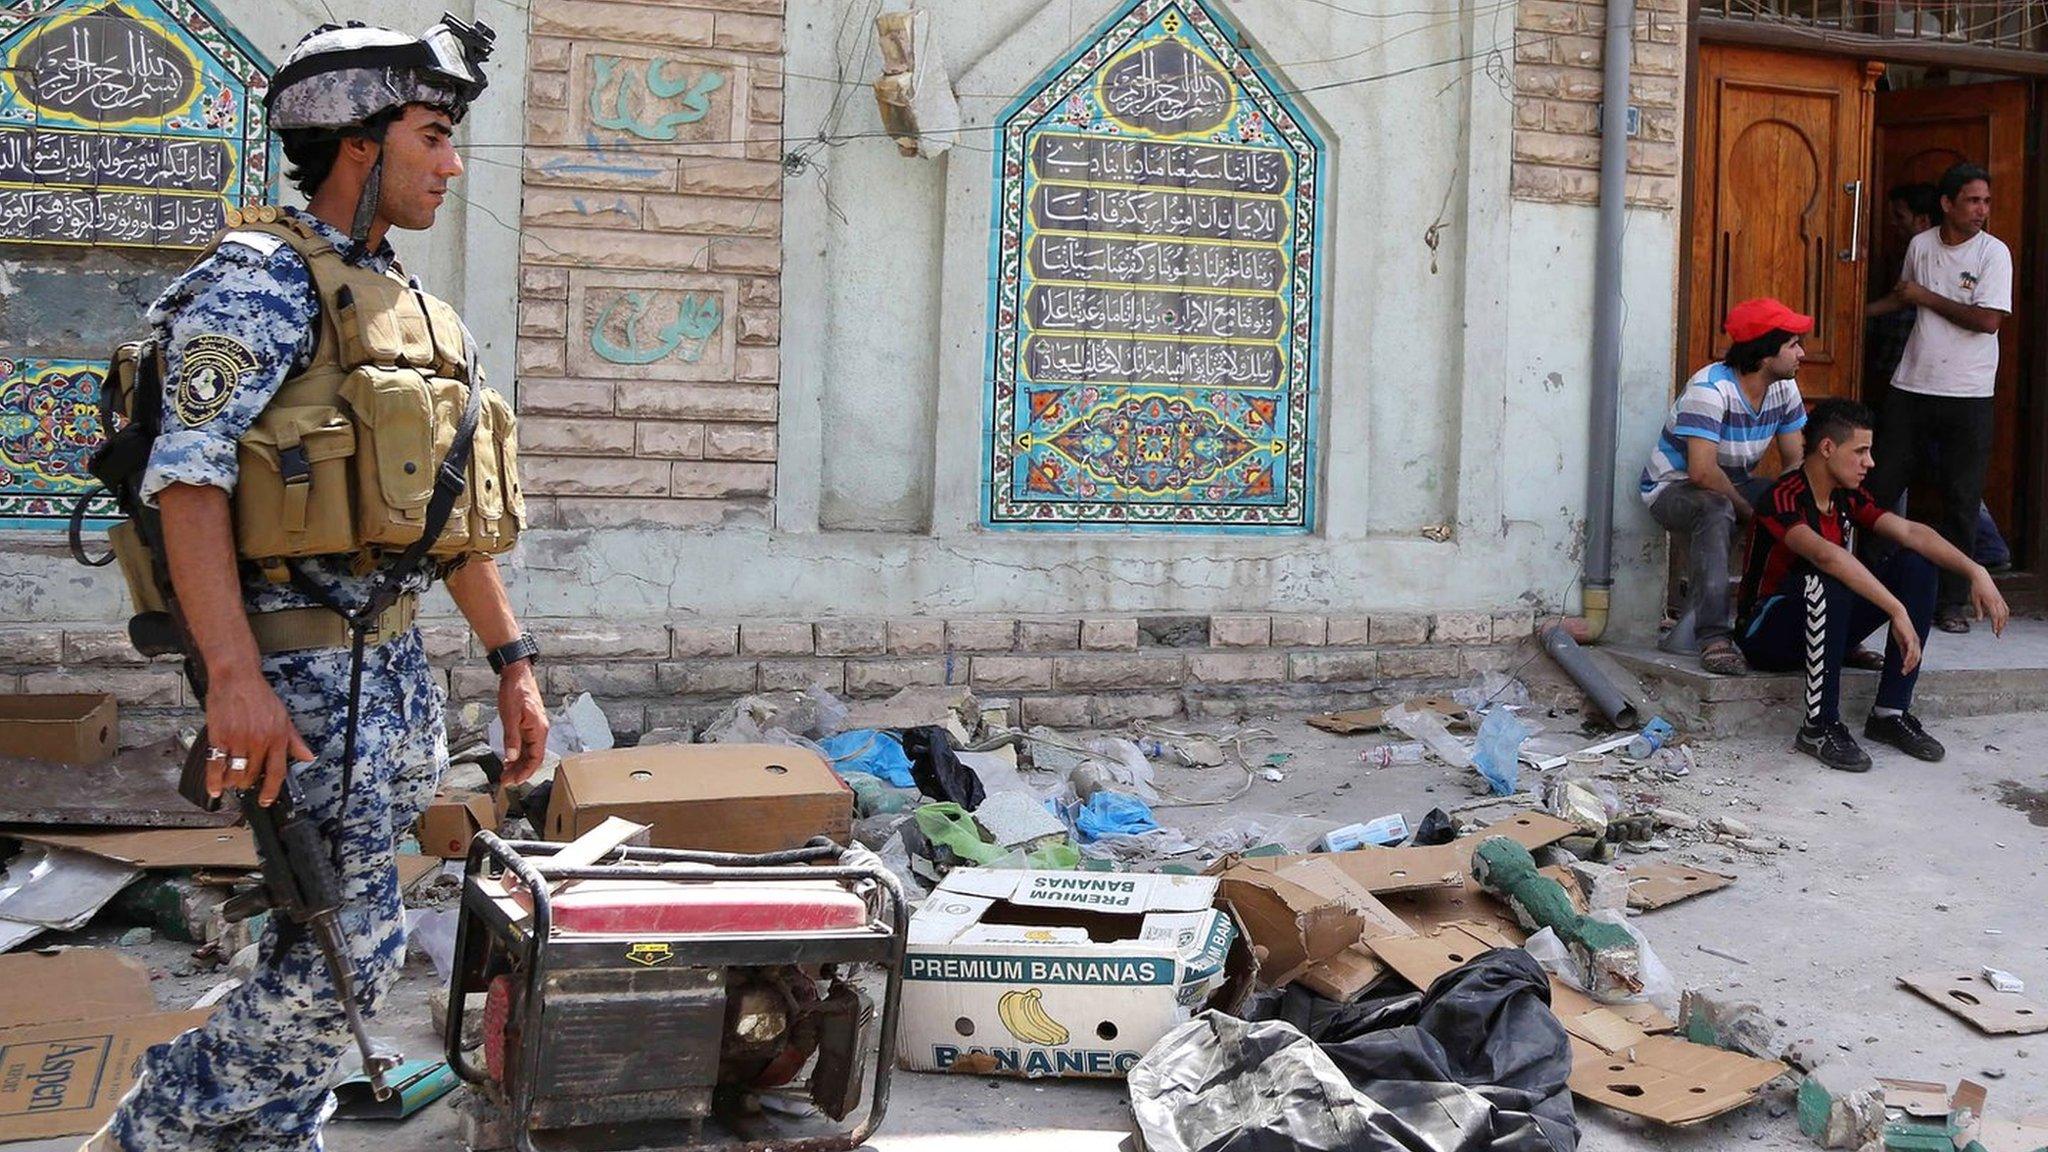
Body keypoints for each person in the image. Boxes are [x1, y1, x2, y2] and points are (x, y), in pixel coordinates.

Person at [91, 17, 550, 1151]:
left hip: (387, 669)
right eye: (433, 137)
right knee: (337, 970)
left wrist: (513, 664)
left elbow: (444, 518)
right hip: (294, 670)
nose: (451, 165)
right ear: (357, 142)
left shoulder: (393, 301)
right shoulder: (257, 284)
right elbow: (185, 481)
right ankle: (153, 1127)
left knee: (331, 950)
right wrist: (234, 680)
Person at [1736, 398, 2008, 773]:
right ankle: (1819, 726)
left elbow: (1911, 531)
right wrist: (1896, 609)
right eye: (1861, 451)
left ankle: (1890, 712)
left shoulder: (1847, 496)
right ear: (1827, 448)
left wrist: (1976, 570)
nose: (1871, 463)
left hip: (1829, 627)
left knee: (1917, 564)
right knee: (1827, 577)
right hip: (1768, 634)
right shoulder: (1782, 498)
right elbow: (1827, 557)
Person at [1865, 162, 2013, 634]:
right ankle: (1867, 585)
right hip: (1912, 385)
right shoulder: (1921, 245)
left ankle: (1950, 601)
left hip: (1968, 393)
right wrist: (1851, 316)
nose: (1981, 211)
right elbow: (1904, 297)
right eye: (1972, 201)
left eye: (1986, 201)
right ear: (1947, 205)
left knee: (1961, 498)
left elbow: (1988, 320)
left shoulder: (1994, 253)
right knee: (1880, 488)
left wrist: (1925, 296)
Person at [1639, 297, 1811, 676]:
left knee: (1803, 507)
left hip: (1733, 484)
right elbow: (1701, 472)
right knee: (1717, 510)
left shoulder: (1784, 388)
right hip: (1673, 488)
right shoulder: (1710, 389)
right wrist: (1750, 511)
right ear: (1766, 354)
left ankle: (1805, 626)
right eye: (1793, 344)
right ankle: (1714, 638)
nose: (1802, 353)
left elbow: (1795, 460)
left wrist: (1782, 504)